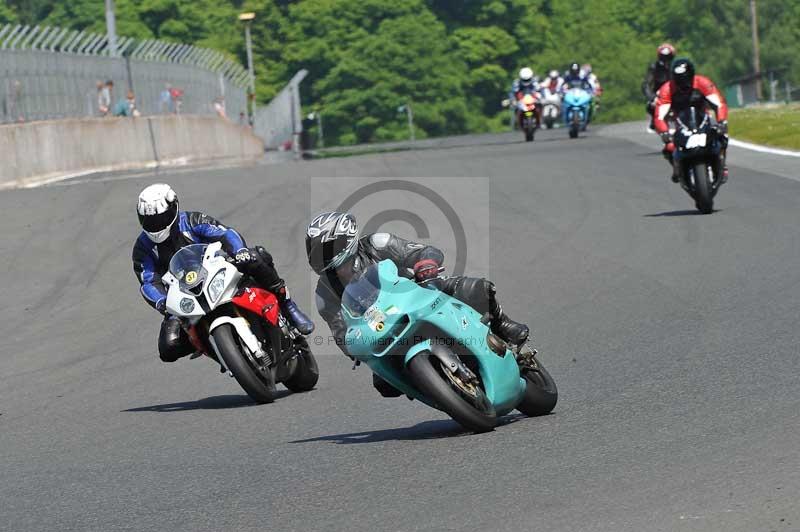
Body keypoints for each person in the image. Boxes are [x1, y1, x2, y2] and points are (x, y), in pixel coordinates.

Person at [305, 212, 530, 398]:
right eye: (314, 251)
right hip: (383, 328)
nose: (319, 258)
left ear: (346, 241)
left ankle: (502, 324)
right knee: (385, 386)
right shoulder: (324, 294)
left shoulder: (376, 244)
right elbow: (341, 334)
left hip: (420, 295)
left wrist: (426, 264)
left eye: (324, 250)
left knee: (474, 289)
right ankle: (439, 388)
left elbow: (424, 251)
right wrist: (354, 347)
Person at [133, 184, 315, 363]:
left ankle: (288, 306)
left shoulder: (192, 220)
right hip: (183, 294)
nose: (156, 225)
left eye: (161, 218)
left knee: (256, 256)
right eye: (150, 221)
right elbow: (148, 280)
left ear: (174, 207)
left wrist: (239, 251)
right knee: (168, 348)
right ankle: (212, 346)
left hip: (216, 270)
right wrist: (162, 301)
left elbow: (225, 234)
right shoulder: (143, 248)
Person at [653, 58, 729, 183]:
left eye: (685, 78)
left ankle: (723, 164)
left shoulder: (703, 82)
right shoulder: (667, 89)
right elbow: (659, 116)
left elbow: (719, 103)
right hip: (680, 123)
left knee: (722, 136)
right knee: (669, 146)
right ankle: (677, 168)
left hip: (703, 119)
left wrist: (722, 121)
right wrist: (664, 132)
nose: (683, 84)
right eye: (679, 79)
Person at [642, 43, 675, 131]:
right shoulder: (654, 67)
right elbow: (646, 84)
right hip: (659, 94)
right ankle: (655, 119)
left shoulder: (676, 67)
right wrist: (652, 97)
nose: (666, 60)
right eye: (663, 57)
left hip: (674, 92)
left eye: (668, 57)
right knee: (650, 106)